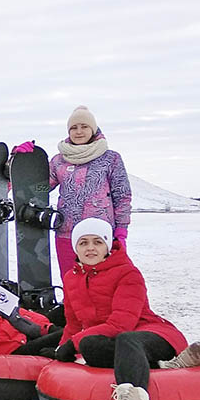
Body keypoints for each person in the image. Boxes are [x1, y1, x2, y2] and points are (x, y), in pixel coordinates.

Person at [54, 218, 200, 400]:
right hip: (116, 340)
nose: (90, 248)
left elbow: (121, 324)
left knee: (126, 339)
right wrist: (62, 349)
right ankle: (168, 366)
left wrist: (73, 343)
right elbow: (73, 323)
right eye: (83, 243)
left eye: (97, 242)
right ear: (75, 248)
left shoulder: (127, 273)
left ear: (107, 246)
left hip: (152, 334)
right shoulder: (71, 278)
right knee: (89, 345)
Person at [46, 106, 133, 276]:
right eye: (73, 128)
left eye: (84, 126)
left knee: (101, 285)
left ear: (92, 129)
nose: (79, 132)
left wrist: (121, 230)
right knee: (72, 283)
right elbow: (39, 188)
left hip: (100, 235)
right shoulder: (59, 161)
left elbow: (122, 196)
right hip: (67, 234)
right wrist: (22, 161)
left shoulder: (110, 158)